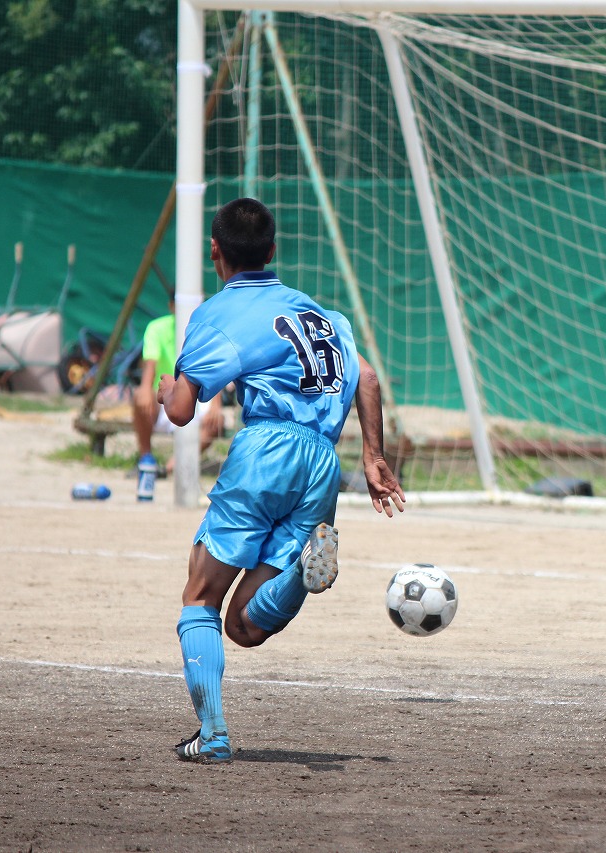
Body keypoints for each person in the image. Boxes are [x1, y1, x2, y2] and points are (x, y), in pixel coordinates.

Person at [158, 198, 407, 763]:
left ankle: (213, 735)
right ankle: (300, 574)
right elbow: (365, 376)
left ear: (215, 252)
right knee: (246, 627)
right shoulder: (321, 315)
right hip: (322, 463)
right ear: (272, 253)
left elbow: (179, 412)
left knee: (200, 599)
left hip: (265, 451)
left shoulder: (218, 312)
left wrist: (164, 392)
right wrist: (373, 457)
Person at [132, 298, 224, 475]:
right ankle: (146, 460)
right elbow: (150, 365)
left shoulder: (208, 330)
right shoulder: (158, 328)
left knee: (215, 420)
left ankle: (172, 466)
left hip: (193, 397)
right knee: (142, 395)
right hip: (168, 395)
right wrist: (147, 388)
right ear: (171, 306)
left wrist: (216, 404)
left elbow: (216, 370)